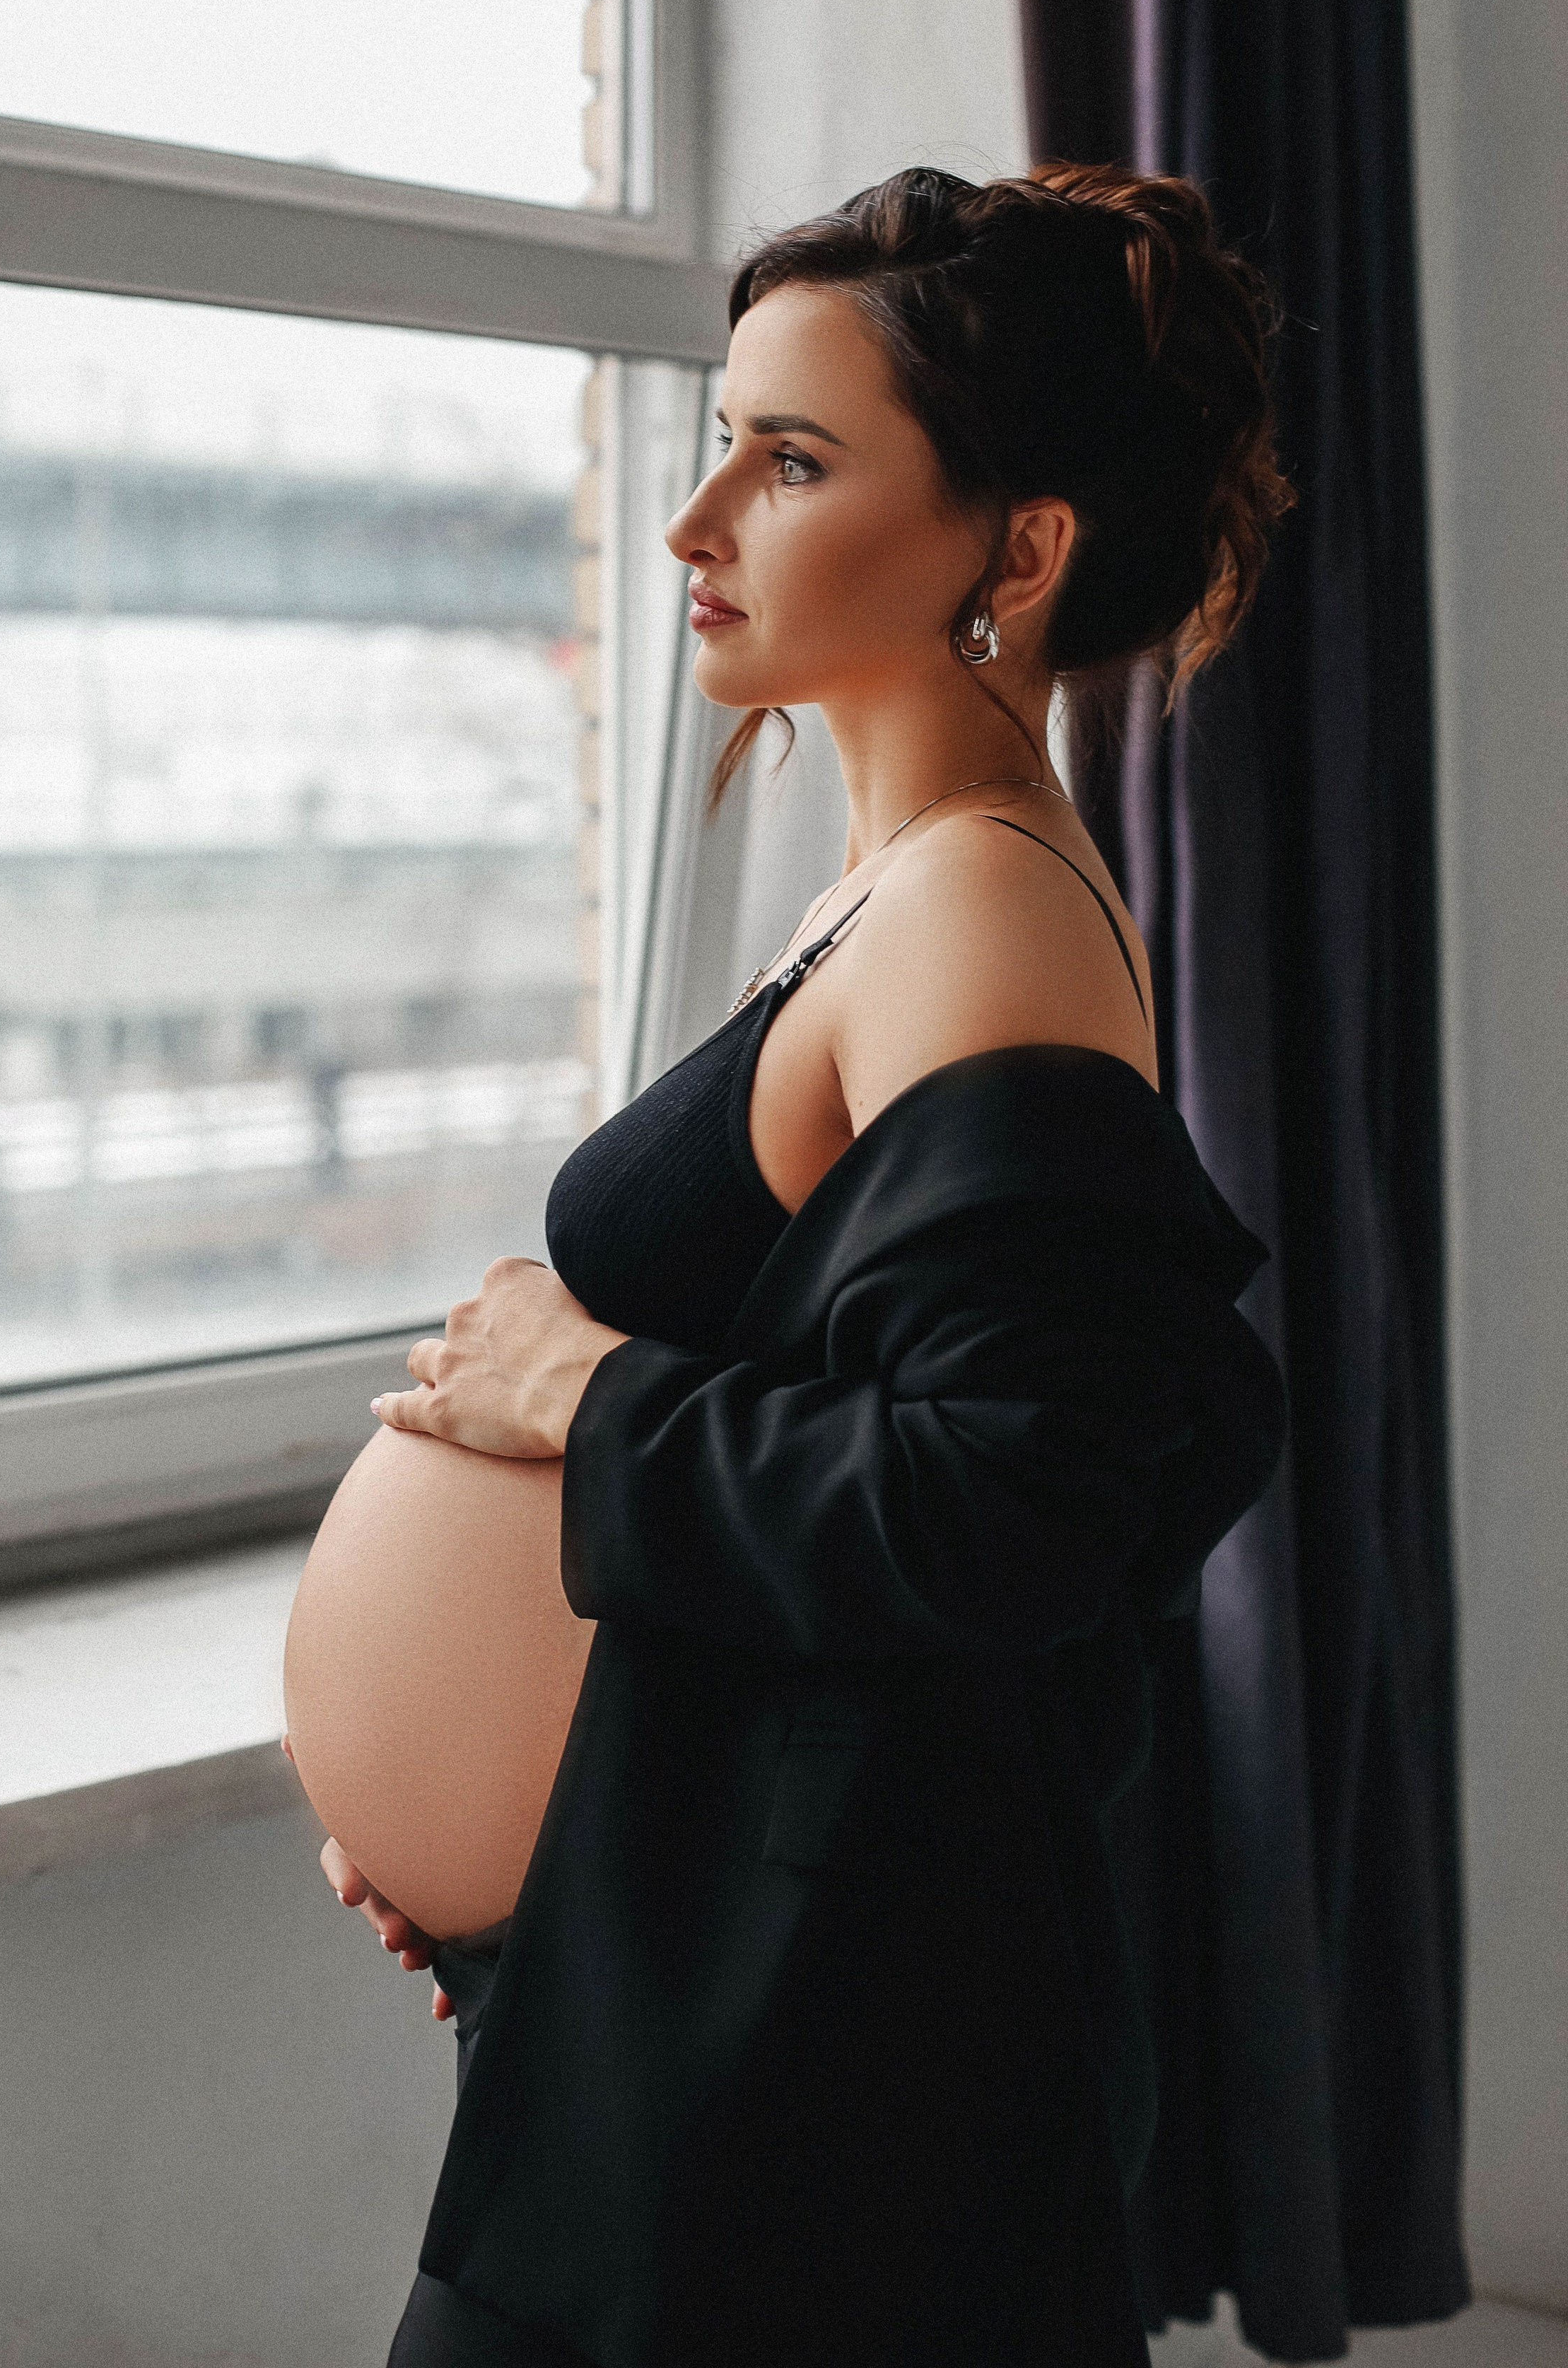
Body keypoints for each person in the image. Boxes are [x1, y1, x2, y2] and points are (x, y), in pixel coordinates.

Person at [321, 165, 1292, 2365]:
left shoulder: (980, 916)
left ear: (1019, 550)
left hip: (811, 2060)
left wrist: (571, 1392)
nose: (695, 521)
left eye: (791, 460)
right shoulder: (897, 895)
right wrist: (518, 1847)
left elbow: (1014, 1497)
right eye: (720, 437)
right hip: (690, 1986)